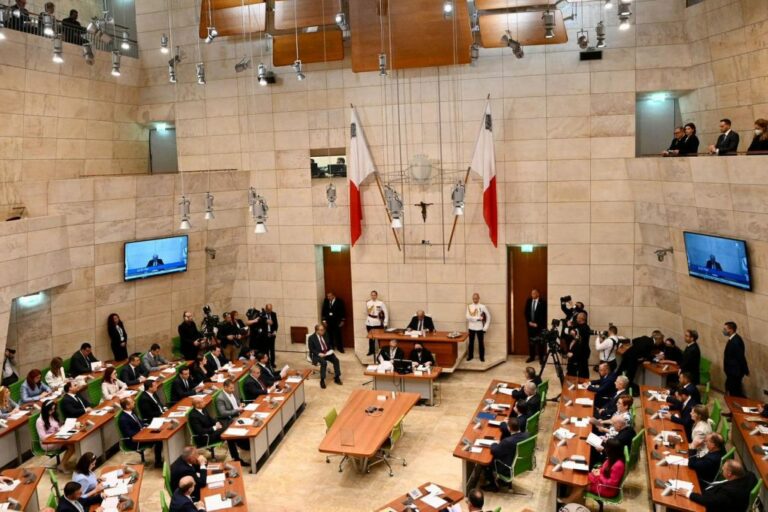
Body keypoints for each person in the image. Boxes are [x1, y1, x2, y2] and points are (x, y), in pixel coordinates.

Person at [559, 438, 625, 505]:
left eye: (606, 447)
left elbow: (611, 484)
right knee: (581, 477)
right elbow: (605, 467)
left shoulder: (618, 465)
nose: (604, 448)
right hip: (601, 481)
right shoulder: (613, 458)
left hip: (607, 489)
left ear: (611, 450)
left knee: (582, 484)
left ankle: (568, 500)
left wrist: (599, 475)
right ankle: (572, 499)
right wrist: (599, 470)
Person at [188, 396, 249, 466]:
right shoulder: (193, 416)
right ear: (197, 405)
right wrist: (214, 428)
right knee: (228, 431)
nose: (204, 402)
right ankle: (242, 448)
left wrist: (216, 423)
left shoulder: (203, 409)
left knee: (228, 432)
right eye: (202, 402)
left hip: (212, 432)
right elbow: (200, 431)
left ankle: (239, 452)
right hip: (205, 437)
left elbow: (211, 420)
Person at [679, 460, 758, 512]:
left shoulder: (728, 492)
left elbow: (710, 501)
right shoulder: (751, 476)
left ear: (729, 474)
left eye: (723, 469)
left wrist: (689, 494)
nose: (721, 470)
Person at [482, 416, 528, 491]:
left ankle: (493, 485)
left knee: (485, 461)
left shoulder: (507, 441)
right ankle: (502, 481)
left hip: (506, 467)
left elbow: (494, 451)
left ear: (509, 428)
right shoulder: (527, 435)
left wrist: (494, 444)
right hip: (518, 463)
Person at [37, 400, 75, 470]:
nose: (53, 411)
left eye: (54, 409)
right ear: (46, 409)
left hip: (57, 438)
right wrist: (54, 434)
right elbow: (42, 437)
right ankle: (62, 465)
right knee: (71, 445)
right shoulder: (39, 421)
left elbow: (57, 428)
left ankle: (62, 464)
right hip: (48, 443)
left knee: (72, 443)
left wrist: (63, 428)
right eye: (51, 409)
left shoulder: (52, 416)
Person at [308, 324, 342, 389]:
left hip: (327, 353)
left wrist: (331, 350)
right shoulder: (311, 338)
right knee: (324, 363)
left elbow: (329, 344)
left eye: (323, 330)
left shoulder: (325, 334)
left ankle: (337, 377)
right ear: (317, 331)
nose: (323, 331)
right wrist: (318, 353)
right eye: (321, 330)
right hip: (318, 354)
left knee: (336, 360)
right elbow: (311, 349)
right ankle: (322, 380)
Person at [723, 321, 749, 397]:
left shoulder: (736, 341)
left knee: (735, 392)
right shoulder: (732, 339)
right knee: (730, 389)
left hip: (735, 372)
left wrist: (745, 370)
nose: (724, 331)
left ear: (731, 330)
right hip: (732, 372)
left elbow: (740, 357)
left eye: (725, 329)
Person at [466, 293, 490, 362]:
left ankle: (482, 357)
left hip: (480, 327)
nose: (475, 300)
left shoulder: (482, 306)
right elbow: (467, 317)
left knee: (481, 343)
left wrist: (485, 327)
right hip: (471, 327)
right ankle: (470, 356)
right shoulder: (469, 306)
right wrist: (478, 318)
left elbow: (488, 317)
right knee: (471, 343)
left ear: (479, 298)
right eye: (473, 298)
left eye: (476, 298)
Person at [566, 313, 591, 379]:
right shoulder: (579, 326)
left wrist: (573, 353)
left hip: (581, 353)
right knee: (573, 370)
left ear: (581, 319)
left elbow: (580, 343)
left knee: (582, 372)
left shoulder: (585, 328)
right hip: (578, 352)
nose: (576, 319)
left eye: (577, 318)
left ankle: (582, 386)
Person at [365, 290, 388, 356]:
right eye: (372, 295)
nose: (373, 296)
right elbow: (367, 312)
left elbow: (385, 313)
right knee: (371, 337)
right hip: (369, 322)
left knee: (379, 338)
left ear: (376, 295)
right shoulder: (368, 303)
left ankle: (381, 351)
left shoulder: (380, 303)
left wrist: (385, 322)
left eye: (374, 295)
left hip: (378, 322)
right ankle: (371, 351)